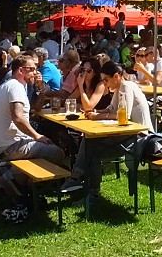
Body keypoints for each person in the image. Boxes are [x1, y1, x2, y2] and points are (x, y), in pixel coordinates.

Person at [61, 61, 154, 199]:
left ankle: (81, 183)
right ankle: (83, 185)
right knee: (89, 144)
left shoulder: (127, 87)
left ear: (116, 76)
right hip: (126, 135)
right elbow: (111, 109)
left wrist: (98, 116)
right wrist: (96, 112)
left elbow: (123, 116)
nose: (105, 83)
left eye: (106, 80)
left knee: (91, 147)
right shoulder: (119, 88)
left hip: (138, 138)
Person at [0, 55, 65, 215]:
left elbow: (33, 110)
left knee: (45, 146)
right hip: (9, 146)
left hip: (1, 143)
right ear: (21, 70)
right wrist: (37, 137)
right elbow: (18, 118)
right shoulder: (16, 86)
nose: (35, 72)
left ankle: (16, 180)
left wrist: (41, 89)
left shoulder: (12, 85)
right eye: (32, 69)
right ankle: (26, 187)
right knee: (57, 152)